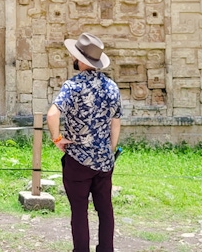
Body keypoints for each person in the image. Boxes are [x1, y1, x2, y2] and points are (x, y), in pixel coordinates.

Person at [46, 33, 122, 252]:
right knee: (105, 210)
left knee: (79, 211)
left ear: (80, 60)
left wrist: (58, 139)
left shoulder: (72, 86)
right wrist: (110, 150)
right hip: (104, 160)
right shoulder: (112, 87)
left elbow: (53, 114)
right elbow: (115, 123)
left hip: (78, 159)